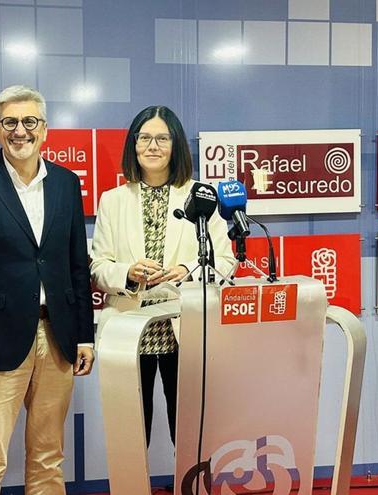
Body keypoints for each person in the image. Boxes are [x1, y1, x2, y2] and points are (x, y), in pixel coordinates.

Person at [0, 85, 94, 495]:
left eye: (30, 122)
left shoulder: (66, 183)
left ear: (45, 129)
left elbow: (77, 266)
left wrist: (84, 334)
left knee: (48, 456)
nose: (20, 131)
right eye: (10, 122)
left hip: (57, 338)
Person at [90, 105, 235, 448]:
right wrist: (128, 271)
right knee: (130, 433)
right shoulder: (113, 200)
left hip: (185, 328)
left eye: (162, 138)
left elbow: (226, 261)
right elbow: (99, 266)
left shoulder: (202, 195)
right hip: (129, 328)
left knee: (190, 434)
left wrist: (188, 270)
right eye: (144, 138)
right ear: (133, 144)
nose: (152, 146)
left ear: (176, 145)